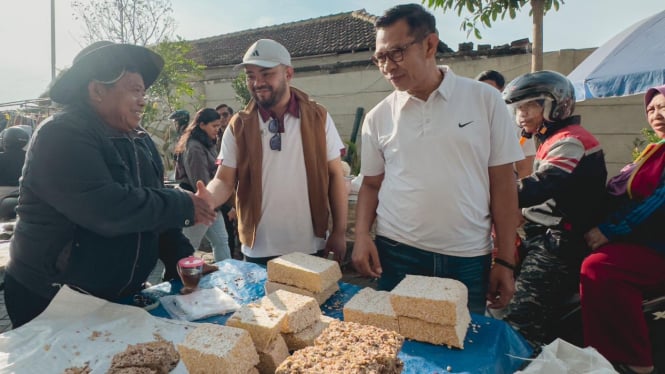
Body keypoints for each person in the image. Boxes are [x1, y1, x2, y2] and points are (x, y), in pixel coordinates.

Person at [3, 41, 218, 328]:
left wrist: (184, 260)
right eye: (134, 90)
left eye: (144, 91)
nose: (143, 100)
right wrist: (184, 203)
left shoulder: (139, 139)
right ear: (97, 90)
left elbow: (155, 214)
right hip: (53, 298)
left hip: (118, 296)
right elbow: (106, 208)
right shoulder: (61, 134)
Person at [351, 4, 524, 315]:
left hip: (468, 258)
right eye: (380, 58)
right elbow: (371, 185)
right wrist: (362, 235)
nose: (388, 66)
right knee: (397, 350)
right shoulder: (378, 117)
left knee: (461, 349)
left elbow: (503, 183)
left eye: (396, 53)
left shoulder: (485, 101)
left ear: (430, 44)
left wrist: (506, 260)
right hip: (397, 253)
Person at [206, 39, 348, 265]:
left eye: (266, 74)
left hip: (311, 245)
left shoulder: (318, 117)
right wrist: (205, 199)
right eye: (250, 75)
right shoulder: (239, 125)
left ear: (288, 74)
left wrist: (339, 231)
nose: (257, 82)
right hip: (258, 249)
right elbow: (224, 180)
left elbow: (335, 175)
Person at [500, 70, 607, 346]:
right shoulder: (551, 138)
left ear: (554, 105)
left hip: (558, 243)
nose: (521, 115)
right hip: (545, 234)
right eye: (518, 108)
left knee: (518, 320)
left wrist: (491, 192)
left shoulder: (570, 140)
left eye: (529, 106)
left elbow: (542, 186)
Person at [581, 85, 665, 374]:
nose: (657, 114)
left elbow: (657, 199)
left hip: (657, 246)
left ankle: (637, 361)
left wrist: (609, 230)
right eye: (652, 109)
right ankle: (597, 350)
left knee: (599, 267)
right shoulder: (652, 151)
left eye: (664, 107)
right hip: (642, 239)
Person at [175, 108, 231, 262]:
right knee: (188, 247)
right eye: (214, 126)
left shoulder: (207, 144)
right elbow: (200, 183)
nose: (217, 130)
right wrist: (225, 205)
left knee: (221, 241)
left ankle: (225, 275)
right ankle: (176, 278)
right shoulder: (194, 148)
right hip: (198, 203)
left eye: (218, 126)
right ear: (201, 125)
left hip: (212, 203)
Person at [476, 69, 536, 178]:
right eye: (479, 90)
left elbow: (525, 167)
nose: (484, 95)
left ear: (502, 91)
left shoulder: (516, 123)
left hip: (506, 183)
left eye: (490, 90)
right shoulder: (468, 121)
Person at [214, 103, 239, 256]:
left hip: (239, 190)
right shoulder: (214, 138)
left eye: (225, 115)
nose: (222, 119)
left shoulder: (240, 135)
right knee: (227, 234)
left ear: (231, 116)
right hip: (222, 191)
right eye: (219, 116)